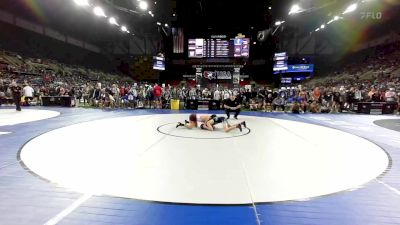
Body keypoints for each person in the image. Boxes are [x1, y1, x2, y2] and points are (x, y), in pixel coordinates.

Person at [176, 114, 246, 133]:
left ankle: (238, 126)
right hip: (222, 118)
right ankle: (241, 123)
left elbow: (211, 129)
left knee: (226, 130)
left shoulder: (208, 122)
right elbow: (213, 127)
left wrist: (205, 126)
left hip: (222, 119)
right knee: (229, 126)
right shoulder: (208, 120)